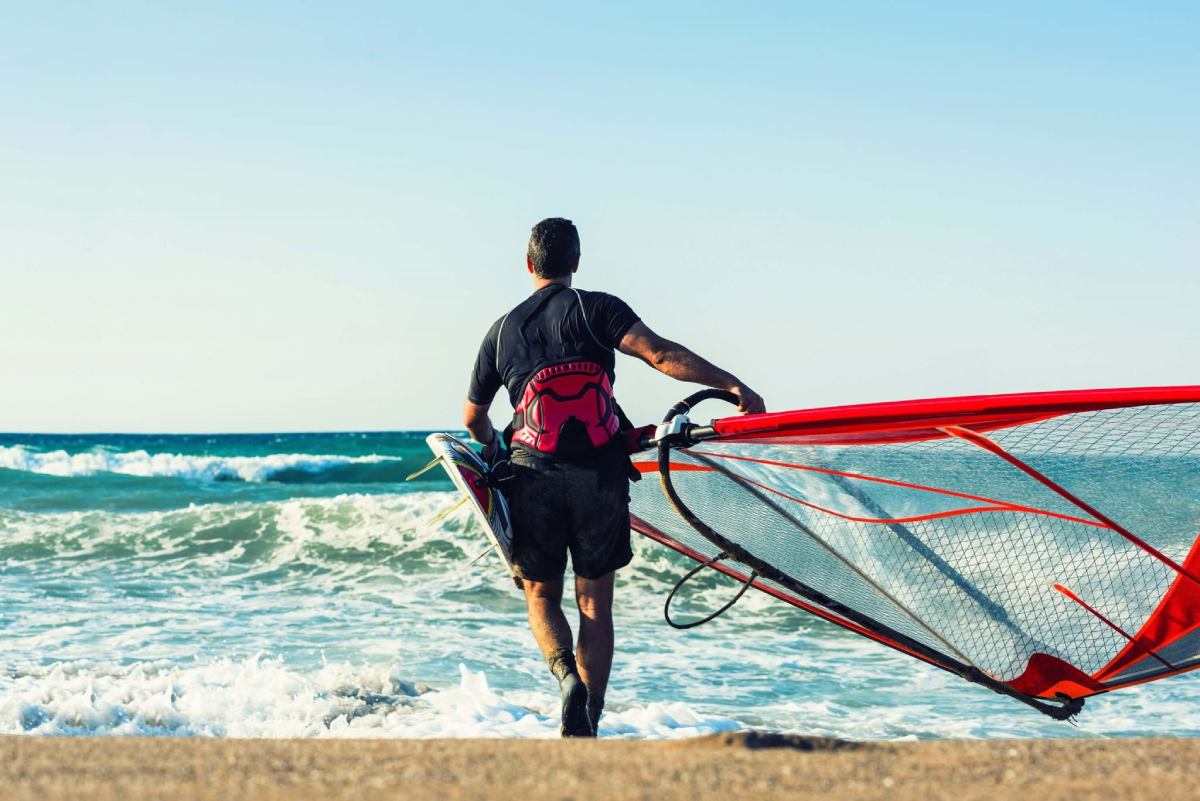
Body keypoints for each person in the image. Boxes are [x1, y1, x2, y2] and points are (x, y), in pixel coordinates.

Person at [463, 217, 765, 737]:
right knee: (594, 605)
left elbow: (473, 418)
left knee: (540, 594)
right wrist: (732, 385)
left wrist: (494, 448)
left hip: (530, 474)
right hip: (599, 475)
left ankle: (565, 680)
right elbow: (662, 356)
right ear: (576, 262)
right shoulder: (596, 307)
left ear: (528, 264)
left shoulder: (501, 332)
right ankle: (591, 721)